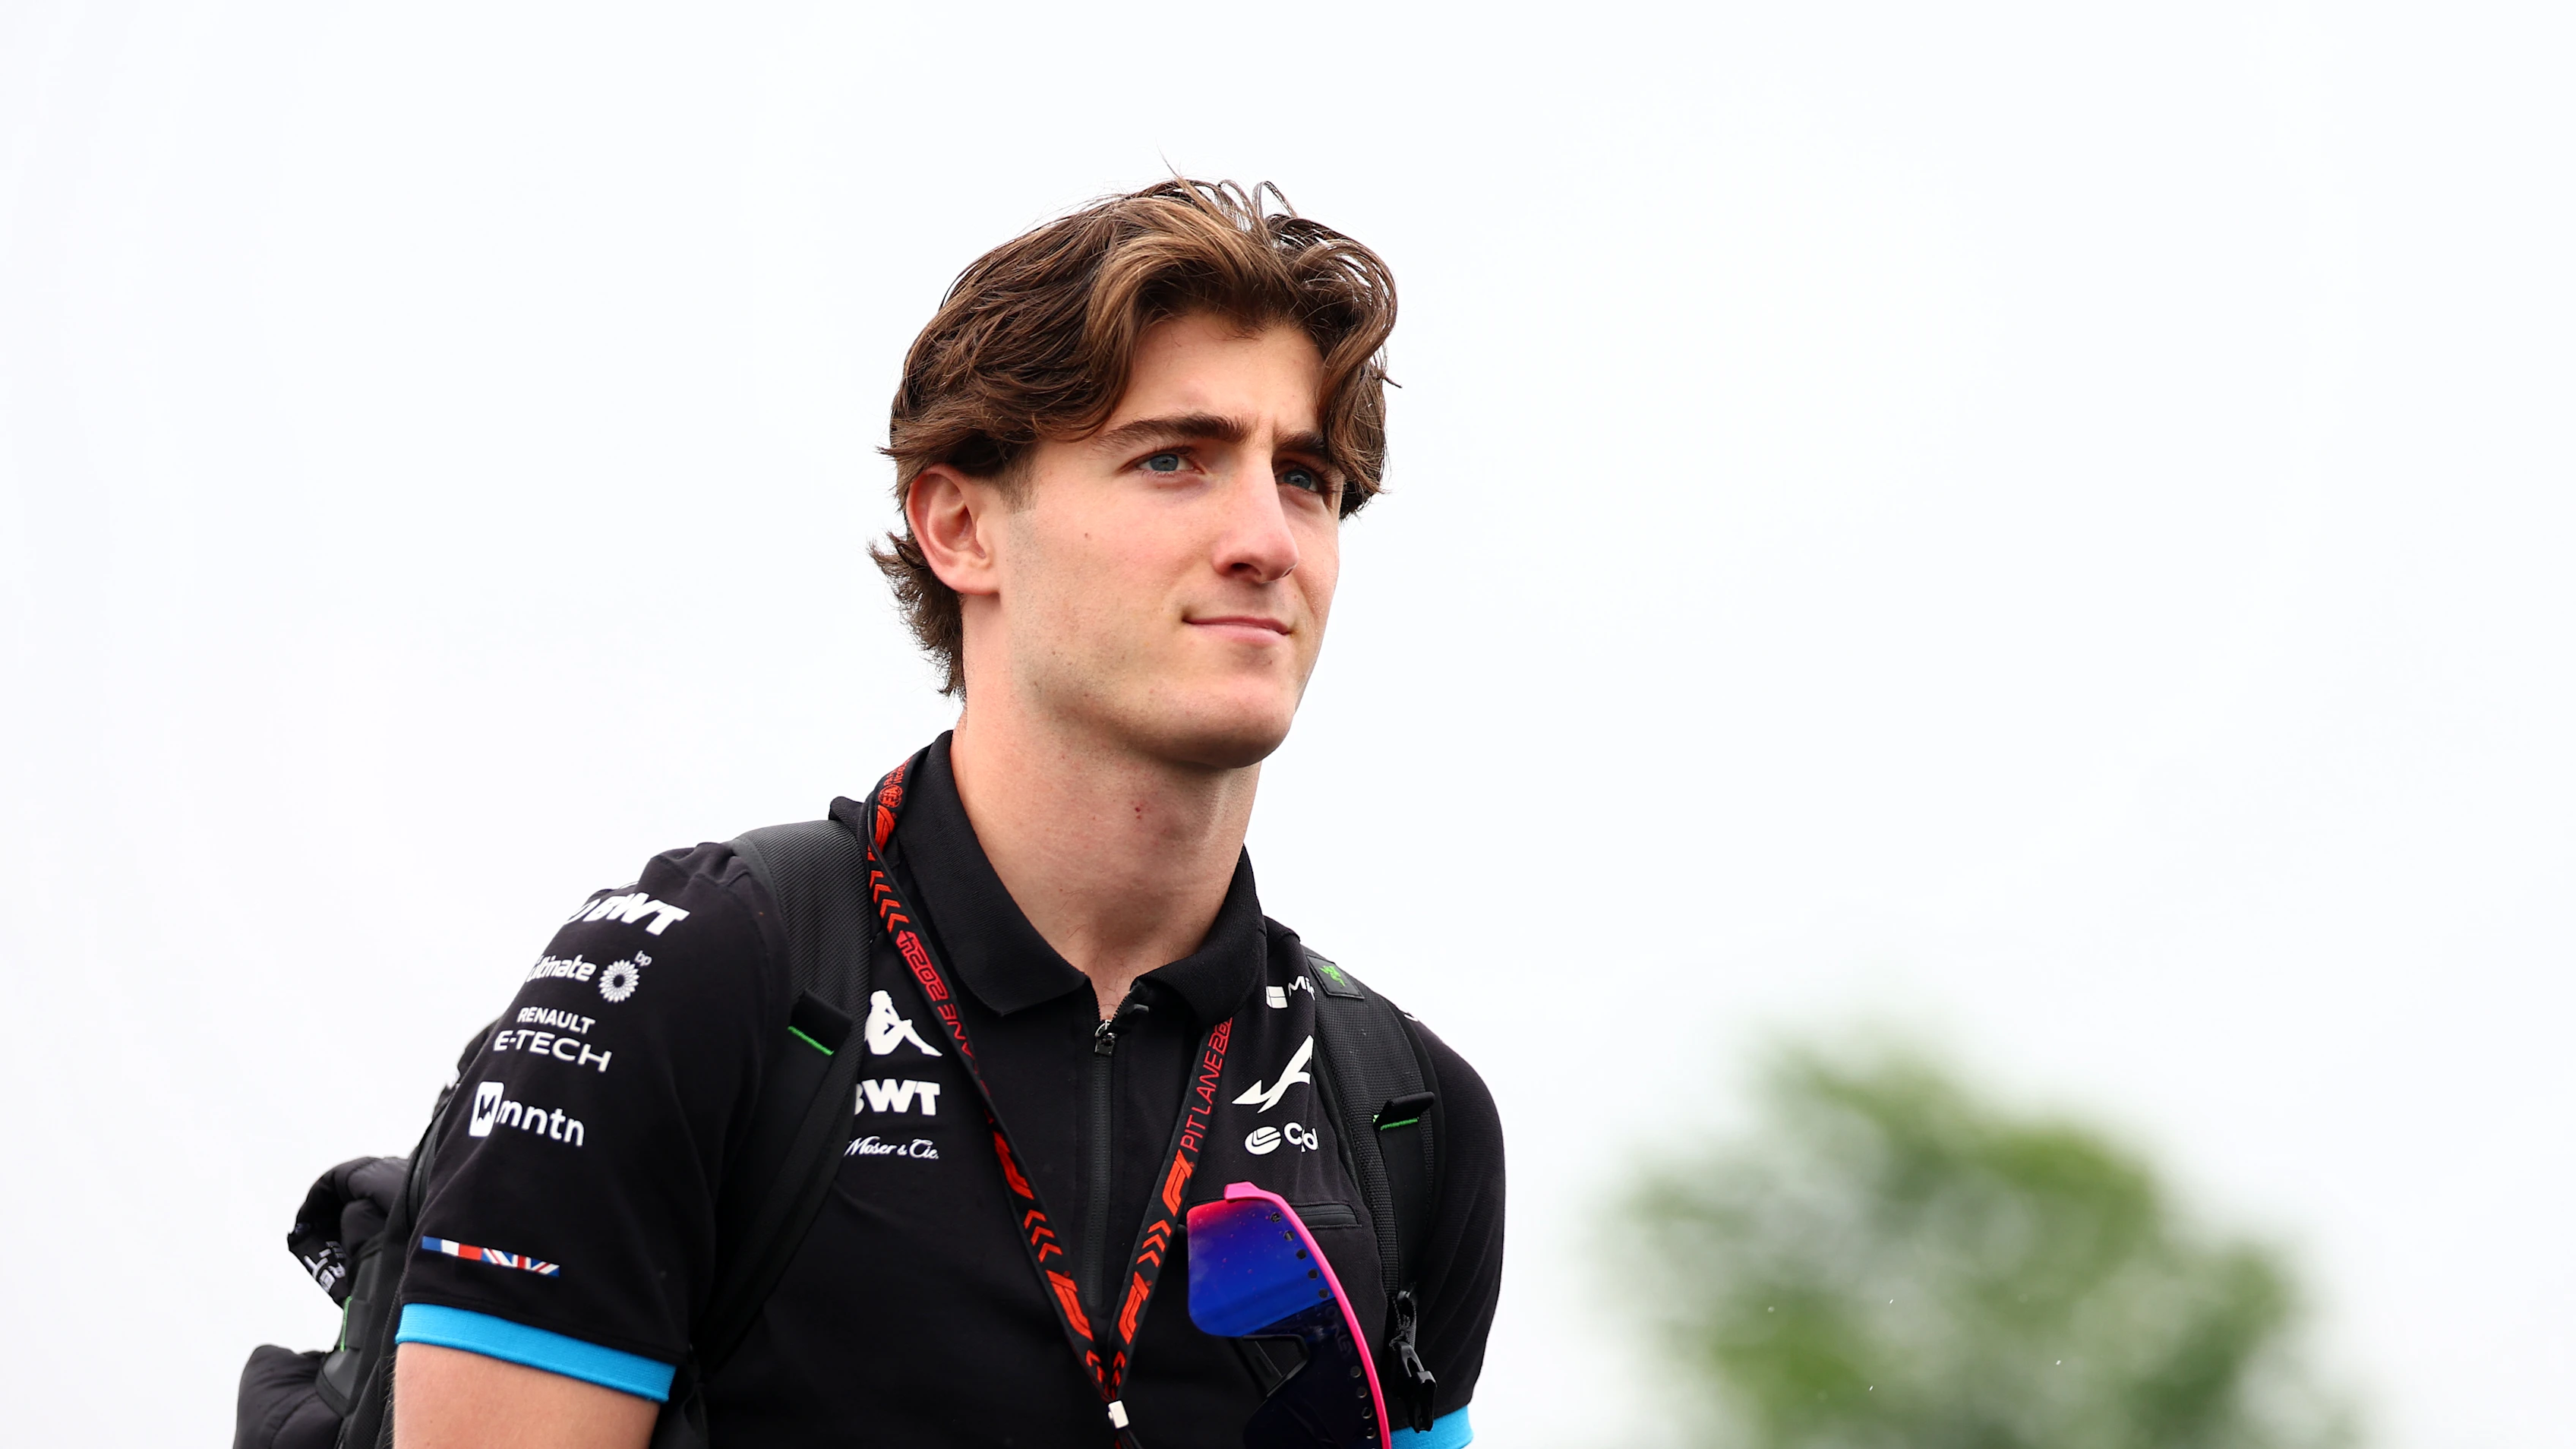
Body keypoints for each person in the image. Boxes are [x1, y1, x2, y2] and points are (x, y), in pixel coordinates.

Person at [384, 180, 1502, 1448]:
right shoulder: (691, 982)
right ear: (960, 524)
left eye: (1305, 478)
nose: (1266, 539)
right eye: (1173, 459)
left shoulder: (1408, 1114)